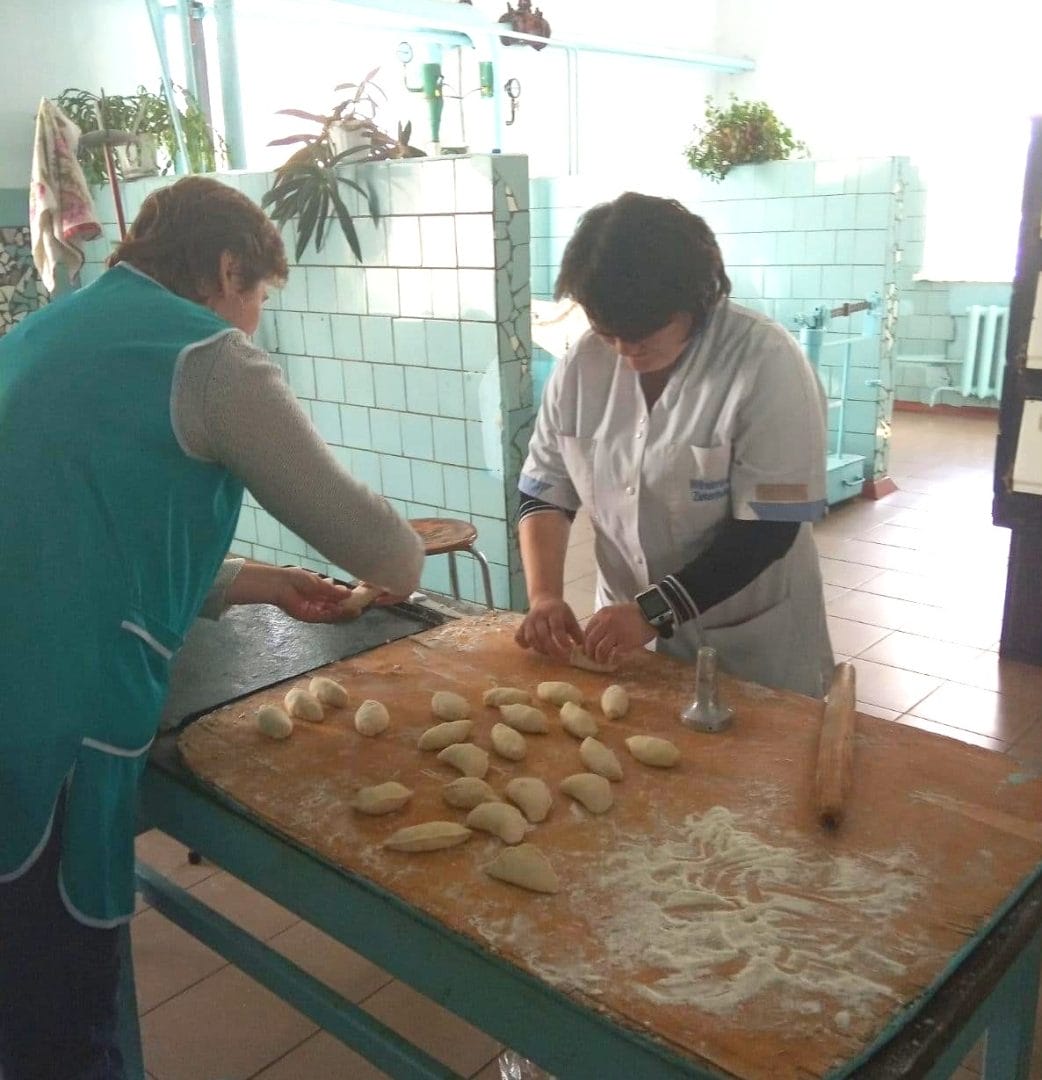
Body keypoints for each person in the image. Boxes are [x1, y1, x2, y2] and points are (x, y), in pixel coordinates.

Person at [0, 176, 424, 1080]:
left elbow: (71, 529)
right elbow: (385, 550)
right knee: (62, 1010)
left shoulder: (43, 328)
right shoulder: (212, 360)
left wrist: (245, 582)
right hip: (53, 714)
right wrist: (390, 560)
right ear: (227, 269)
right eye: (260, 296)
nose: (257, 321)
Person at [515, 192, 834, 698]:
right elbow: (544, 490)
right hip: (624, 637)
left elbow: (770, 530)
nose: (626, 349)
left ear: (697, 298)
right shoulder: (582, 366)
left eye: (644, 332)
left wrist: (654, 610)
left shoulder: (765, 363)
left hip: (745, 638)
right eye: (609, 331)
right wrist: (544, 596)